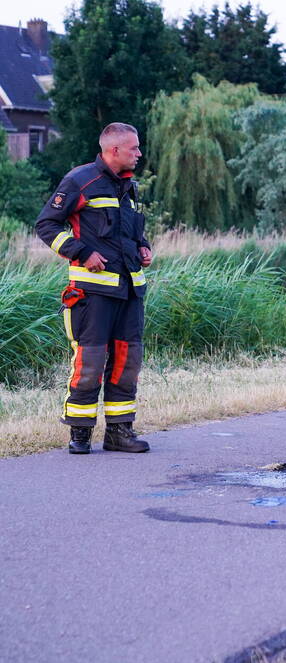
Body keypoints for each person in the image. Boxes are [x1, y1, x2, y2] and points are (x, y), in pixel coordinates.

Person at [35, 122, 152, 454]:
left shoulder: (128, 186)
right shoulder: (80, 180)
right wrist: (82, 252)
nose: (139, 153)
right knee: (90, 362)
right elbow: (46, 224)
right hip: (92, 293)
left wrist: (143, 247)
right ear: (114, 150)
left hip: (130, 291)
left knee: (128, 362)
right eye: (134, 148)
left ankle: (119, 433)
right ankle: (80, 433)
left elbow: (129, 232)